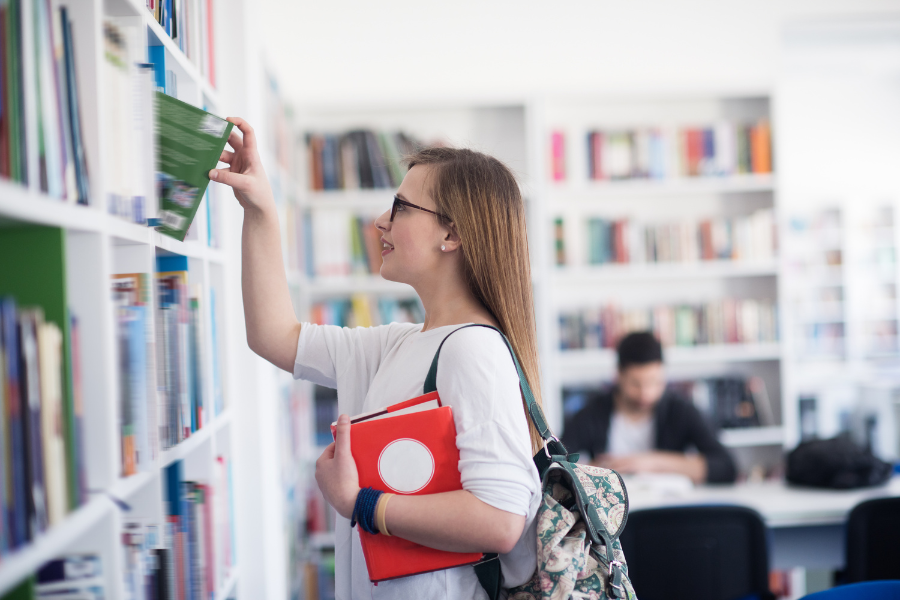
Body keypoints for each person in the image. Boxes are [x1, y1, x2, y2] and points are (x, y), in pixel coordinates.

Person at [210, 118, 542, 600]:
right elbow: (274, 336)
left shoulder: (473, 350)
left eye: (401, 207)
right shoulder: (402, 343)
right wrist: (259, 208)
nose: (380, 221)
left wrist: (359, 503)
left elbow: (501, 519)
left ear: (452, 233)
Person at [561, 331, 737, 484]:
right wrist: (594, 470)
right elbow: (558, 464)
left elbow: (726, 467)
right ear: (618, 376)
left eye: (654, 382)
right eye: (635, 384)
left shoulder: (681, 410)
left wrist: (650, 463)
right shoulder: (592, 413)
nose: (645, 393)